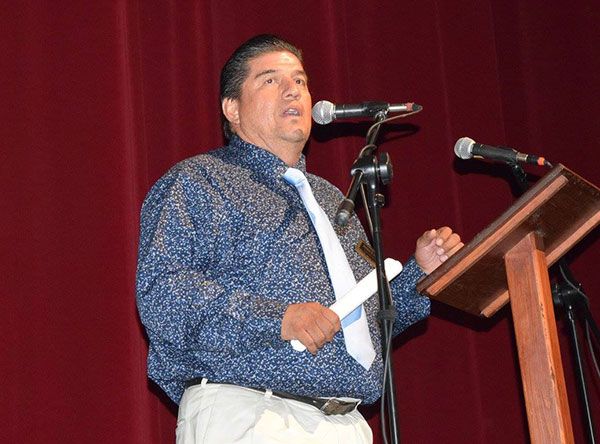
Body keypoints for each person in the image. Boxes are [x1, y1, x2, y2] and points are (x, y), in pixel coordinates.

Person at [136, 34, 462, 444]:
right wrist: (279, 319)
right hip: (252, 413)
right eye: (271, 80)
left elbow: (364, 321)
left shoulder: (331, 199)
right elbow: (164, 294)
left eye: (302, 81)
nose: (294, 89)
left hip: (348, 421)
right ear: (231, 109)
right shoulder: (199, 181)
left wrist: (420, 276)